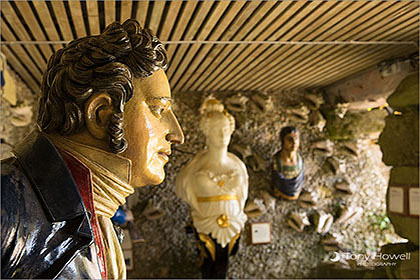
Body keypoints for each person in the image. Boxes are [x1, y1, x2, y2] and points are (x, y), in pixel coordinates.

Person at [1, 19, 184, 279]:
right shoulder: (7, 203)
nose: (178, 135)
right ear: (101, 115)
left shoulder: (100, 218)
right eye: (159, 110)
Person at [175, 98, 248, 279]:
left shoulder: (238, 165)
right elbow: (182, 187)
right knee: (208, 266)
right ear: (206, 132)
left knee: (224, 265)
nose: (222, 136)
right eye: (216, 131)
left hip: (234, 222)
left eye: (225, 130)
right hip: (203, 221)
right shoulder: (193, 167)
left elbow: (243, 193)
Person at [272, 126, 304, 200]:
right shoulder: (277, 161)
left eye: (296, 139)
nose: (294, 142)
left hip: (295, 192)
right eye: (289, 139)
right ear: (283, 141)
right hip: (282, 191)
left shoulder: (299, 160)